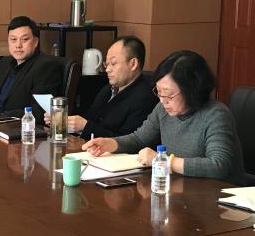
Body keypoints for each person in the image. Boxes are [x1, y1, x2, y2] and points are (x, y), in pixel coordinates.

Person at [83, 50, 245, 183]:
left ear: (192, 90)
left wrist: (162, 161)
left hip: (219, 199)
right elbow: (139, 139)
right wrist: (110, 143)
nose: (162, 100)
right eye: (159, 92)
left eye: (168, 94)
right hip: (180, 190)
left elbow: (218, 165)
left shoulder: (216, 115)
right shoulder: (163, 109)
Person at [64, 36, 156, 138]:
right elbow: (90, 119)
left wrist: (85, 127)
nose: (108, 69)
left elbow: (129, 141)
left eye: (113, 63)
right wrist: (69, 123)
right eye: (106, 64)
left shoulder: (145, 98)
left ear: (133, 64)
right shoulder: (108, 89)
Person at [0, 16, 63, 118]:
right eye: (13, 39)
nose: (18, 45)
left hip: (14, 123)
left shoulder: (46, 66)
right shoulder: (4, 63)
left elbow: (39, 112)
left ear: (35, 42)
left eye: (24, 39)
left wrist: (1, 115)